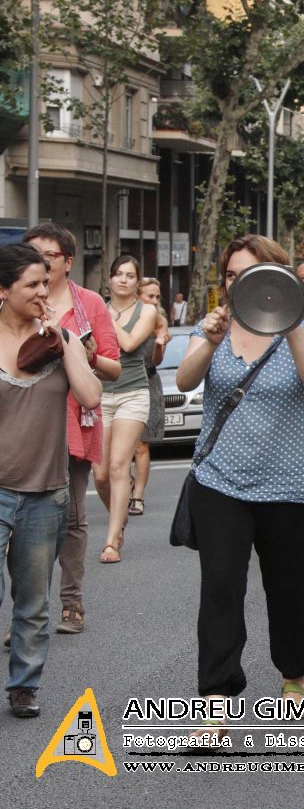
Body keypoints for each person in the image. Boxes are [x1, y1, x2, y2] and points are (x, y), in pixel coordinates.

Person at [177, 235, 304, 741]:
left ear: (276, 279)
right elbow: (183, 380)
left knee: (291, 589)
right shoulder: (216, 328)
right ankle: (217, 698)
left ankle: (292, 674)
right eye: (230, 276)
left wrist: (286, 327)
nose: (237, 284)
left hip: (291, 485)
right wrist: (210, 339)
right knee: (220, 589)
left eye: (250, 275)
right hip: (221, 482)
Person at [0, 244, 101, 717]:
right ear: (3, 290)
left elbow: (91, 395)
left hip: (44, 491)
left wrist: (64, 345)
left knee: (33, 600)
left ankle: (24, 685)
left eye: (46, 282)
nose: (44, 291)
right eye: (32, 285)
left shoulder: (60, 336)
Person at [22, 224, 120, 636]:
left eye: (49, 255)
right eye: (33, 254)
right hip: (23, 427)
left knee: (73, 519)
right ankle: (29, 611)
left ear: (67, 261)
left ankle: (71, 605)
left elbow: (114, 367)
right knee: (25, 521)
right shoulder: (15, 300)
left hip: (74, 423)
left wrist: (87, 357)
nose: (41, 262)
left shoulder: (90, 303)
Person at [95, 255, 159, 562]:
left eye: (130, 275)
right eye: (118, 274)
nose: (123, 279)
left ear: (137, 281)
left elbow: (132, 344)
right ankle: (118, 518)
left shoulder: (147, 310)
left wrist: (104, 318)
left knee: (120, 465)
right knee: (101, 474)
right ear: (109, 279)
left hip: (133, 392)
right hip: (99, 393)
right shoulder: (97, 310)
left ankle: (111, 541)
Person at [129, 277, 170, 518]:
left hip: (148, 381)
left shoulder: (159, 322)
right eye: (150, 296)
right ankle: (126, 483)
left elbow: (157, 361)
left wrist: (158, 344)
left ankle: (137, 496)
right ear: (137, 296)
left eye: (157, 297)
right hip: (121, 382)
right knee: (120, 449)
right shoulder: (121, 317)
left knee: (141, 445)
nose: (154, 301)